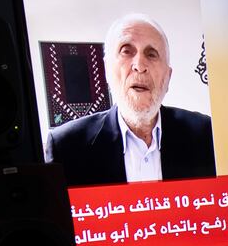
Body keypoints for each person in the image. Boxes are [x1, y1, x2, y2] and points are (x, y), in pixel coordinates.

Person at [46, 13, 216, 186]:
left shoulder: (207, 135)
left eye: (151, 54)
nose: (140, 66)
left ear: (168, 76)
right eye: (126, 51)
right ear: (107, 69)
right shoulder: (66, 147)